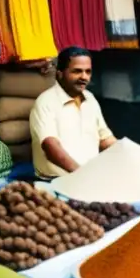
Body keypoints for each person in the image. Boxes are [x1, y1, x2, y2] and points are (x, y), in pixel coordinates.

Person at [30, 47, 116, 179]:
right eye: (77, 71)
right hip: (56, 181)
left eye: (88, 72)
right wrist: (81, 175)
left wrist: (127, 153)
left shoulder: (90, 98)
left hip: (89, 177)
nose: (84, 77)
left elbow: (105, 139)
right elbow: (51, 147)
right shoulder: (45, 102)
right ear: (59, 73)